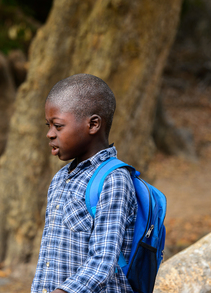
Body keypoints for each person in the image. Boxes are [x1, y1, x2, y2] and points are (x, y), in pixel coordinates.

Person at [31, 74, 137, 293]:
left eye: (58, 126)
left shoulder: (114, 180)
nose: (50, 134)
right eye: (48, 126)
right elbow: (48, 258)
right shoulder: (61, 178)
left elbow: (103, 261)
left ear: (93, 124)